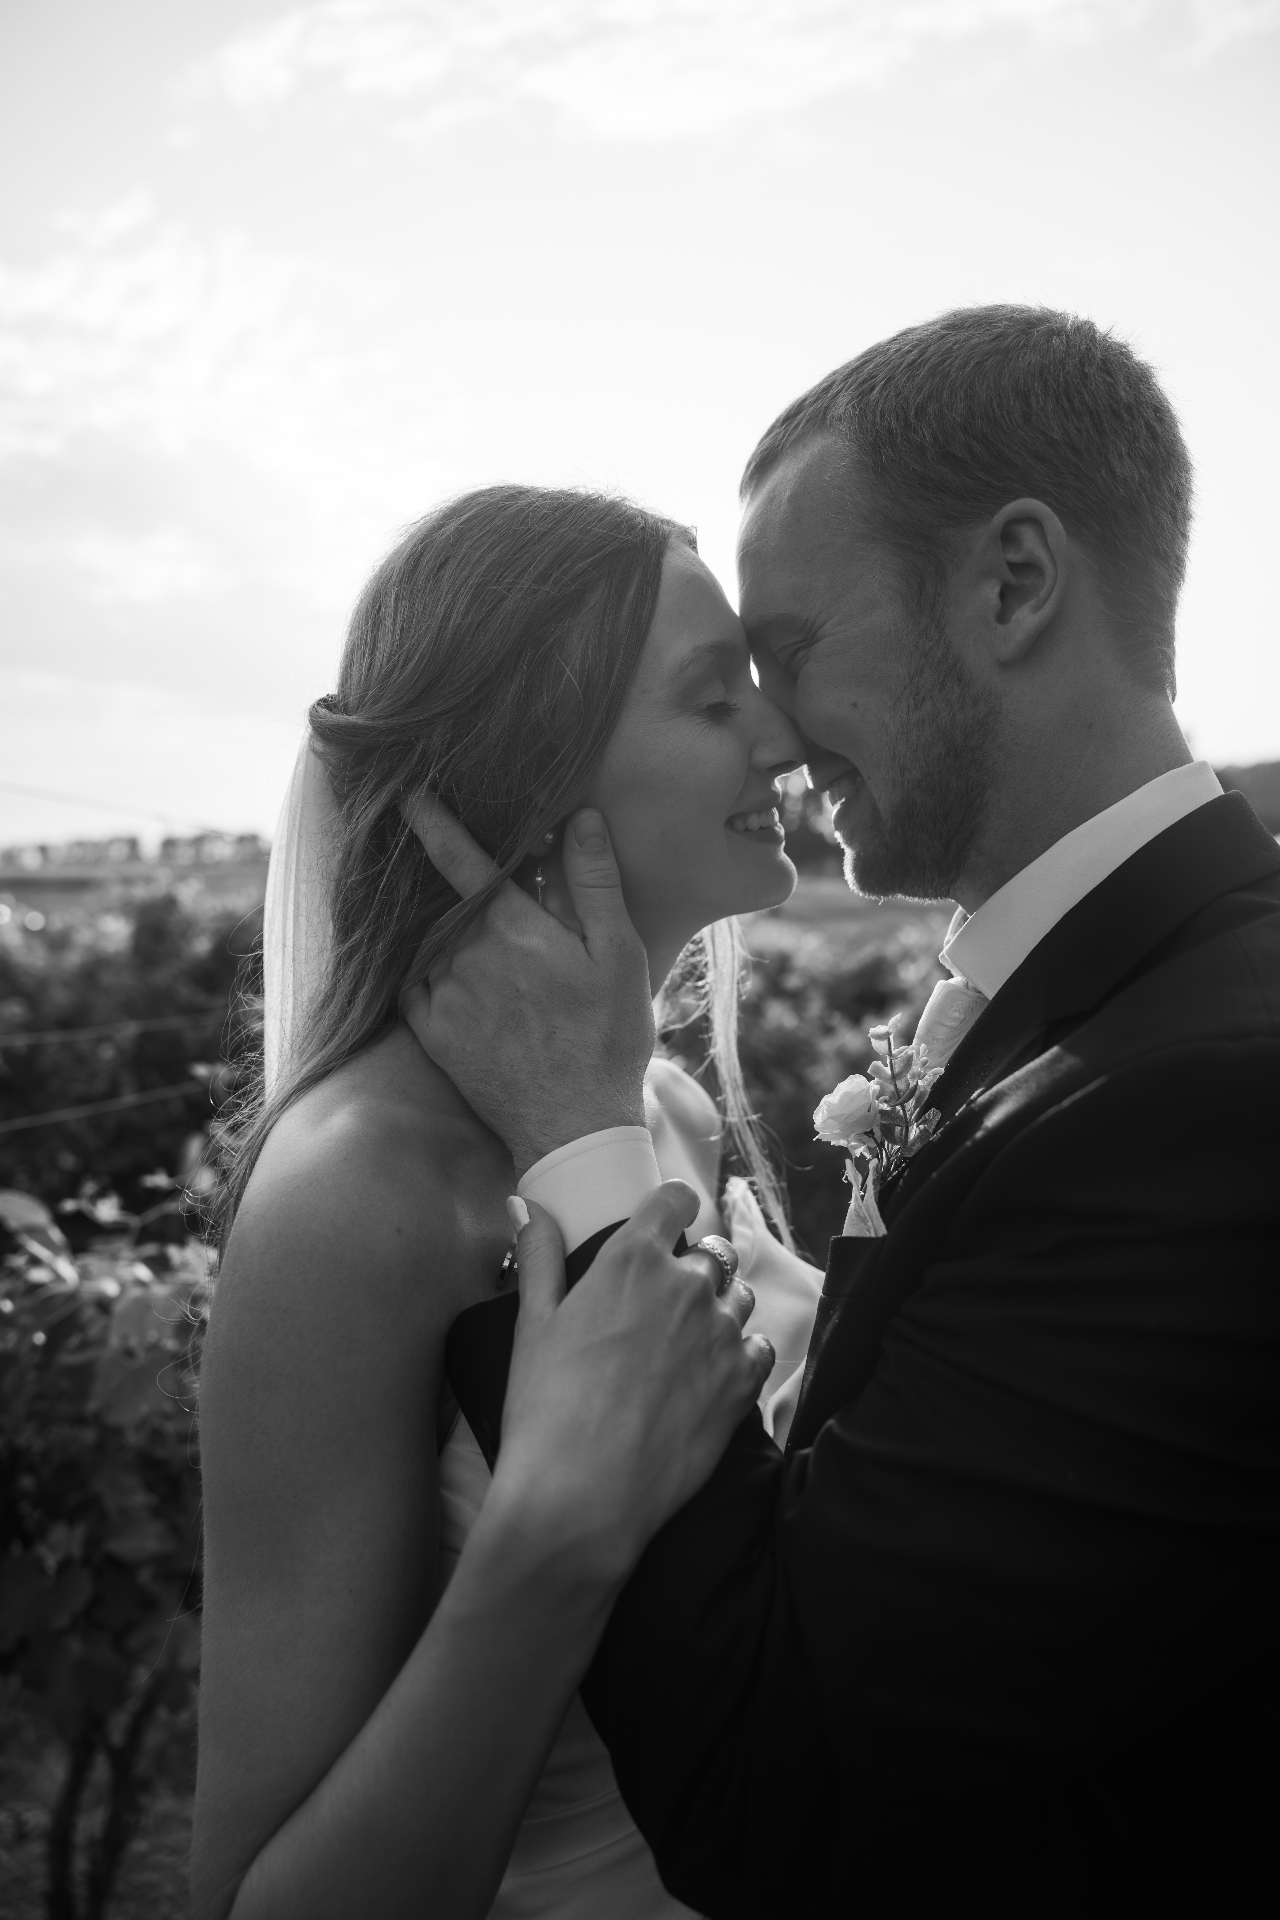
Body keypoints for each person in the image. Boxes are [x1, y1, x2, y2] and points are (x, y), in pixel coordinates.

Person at [407, 308, 1280, 1913]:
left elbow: (789, 1802)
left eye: (792, 651)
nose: (782, 738)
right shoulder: (1125, 1007)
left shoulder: (1200, 1101)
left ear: (1014, 583)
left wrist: (582, 1144)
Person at [191, 485, 824, 1920]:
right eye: (714, 698)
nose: (781, 736)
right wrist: (559, 1533)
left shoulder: (650, 1108)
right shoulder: (361, 1193)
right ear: (534, 777)